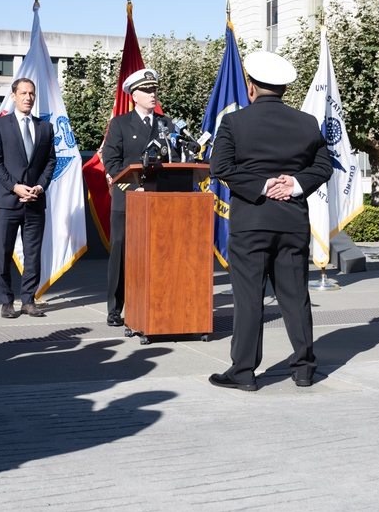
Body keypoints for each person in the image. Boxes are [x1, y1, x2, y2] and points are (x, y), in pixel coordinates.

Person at [208, 51, 332, 391]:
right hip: (292, 221)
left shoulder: (234, 123)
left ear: (251, 87)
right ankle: (304, 368)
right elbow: (323, 167)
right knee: (295, 296)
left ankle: (244, 373)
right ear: (284, 90)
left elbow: (220, 168)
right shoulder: (307, 123)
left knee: (248, 298)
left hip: (251, 221)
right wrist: (293, 184)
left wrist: (262, 186)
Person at [101, 68, 178, 327]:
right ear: (134, 95)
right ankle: (115, 307)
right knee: (122, 254)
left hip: (159, 202)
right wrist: (134, 189)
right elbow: (111, 162)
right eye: (146, 90)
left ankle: (155, 303)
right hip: (128, 200)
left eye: (154, 89)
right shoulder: (121, 124)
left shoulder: (166, 124)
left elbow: (176, 160)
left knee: (158, 254)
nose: (152, 94)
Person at [0, 78, 57, 319]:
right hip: (8, 200)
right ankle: (6, 301)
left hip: (35, 201)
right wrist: (15, 186)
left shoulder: (45, 127)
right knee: (3, 252)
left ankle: (28, 300)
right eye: (23, 93)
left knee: (33, 253)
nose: (28, 97)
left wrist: (39, 186)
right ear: (14, 95)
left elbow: (50, 162)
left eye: (32, 94)